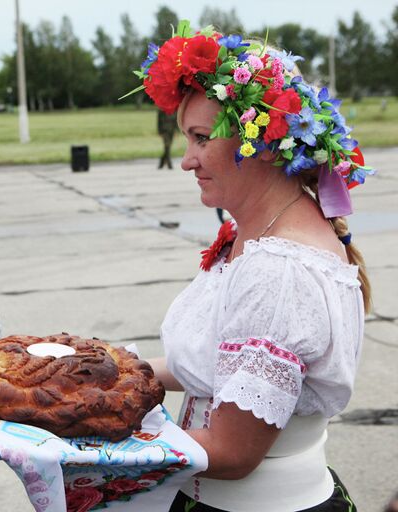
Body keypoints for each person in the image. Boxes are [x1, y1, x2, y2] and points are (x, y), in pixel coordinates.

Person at [128, 22, 374, 511]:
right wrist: (109, 371)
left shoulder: (278, 272)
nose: (187, 161)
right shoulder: (259, 237)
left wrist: (94, 444)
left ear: (258, 142)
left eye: (200, 138)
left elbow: (234, 453)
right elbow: (215, 368)